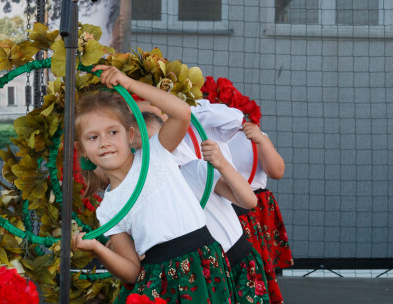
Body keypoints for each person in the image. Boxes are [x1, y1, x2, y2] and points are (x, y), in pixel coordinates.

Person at [71, 65, 234, 304]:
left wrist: (129, 84)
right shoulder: (108, 208)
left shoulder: (156, 154)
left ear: (129, 134)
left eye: (112, 132)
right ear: (82, 150)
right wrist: (97, 248)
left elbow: (181, 113)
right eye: (93, 137)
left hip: (203, 264)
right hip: (160, 281)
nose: (104, 142)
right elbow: (132, 269)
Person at [139, 108, 271, 304]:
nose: (152, 152)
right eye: (141, 148)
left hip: (235, 261)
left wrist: (222, 163)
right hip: (203, 275)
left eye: (158, 142)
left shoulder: (194, 170)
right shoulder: (144, 193)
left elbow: (249, 201)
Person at [228, 123, 292, 304]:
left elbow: (277, 171)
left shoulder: (253, 135)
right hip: (219, 207)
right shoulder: (201, 132)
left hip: (253, 208)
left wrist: (260, 139)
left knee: (256, 263)